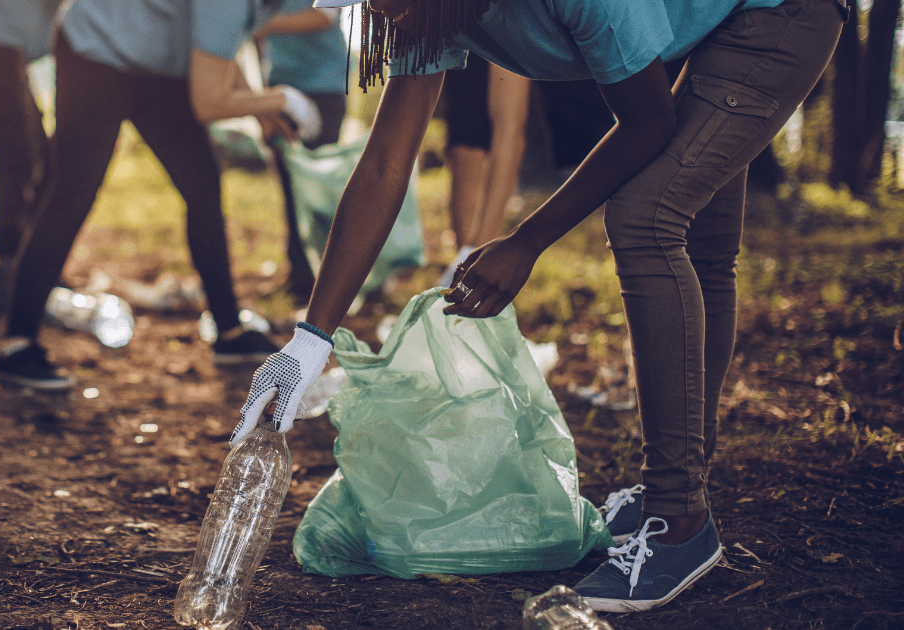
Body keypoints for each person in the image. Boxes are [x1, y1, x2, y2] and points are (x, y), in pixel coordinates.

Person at [234, 0, 845, 613]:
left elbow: (647, 123)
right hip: (708, 26)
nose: (374, 8)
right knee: (700, 244)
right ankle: (680, 487)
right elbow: (386, 162)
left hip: (779, 12)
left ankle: (679, 523)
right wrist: (311, 338)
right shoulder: (420, 12)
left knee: (647, 218)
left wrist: (526, 241)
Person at [0, 0, 324, 390]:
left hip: (160, 70)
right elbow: (209, 101)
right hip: (95, 50)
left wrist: (256, 104)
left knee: (203, 187)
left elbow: (216, 52)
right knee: (72, 193)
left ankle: (231, 333)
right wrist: (283, 100)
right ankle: (17, 345)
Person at [0, 0, 64, 312]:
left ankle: (33, 262)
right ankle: (9, 267)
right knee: (20, 159)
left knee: (45, 160)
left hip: (2, 50)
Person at [256, 0, 350, 301]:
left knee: (321, 187)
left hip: (324, 86)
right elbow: (257, 48)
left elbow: (324, 15)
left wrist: (262, 25)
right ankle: (300, 275)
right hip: (281, 87)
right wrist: (262, 103)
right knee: (289, 185)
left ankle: (335, 277)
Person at [437, 54, 530, 287]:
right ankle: (464, 265)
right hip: (458, 21)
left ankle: (479, 262)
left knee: (506, 117)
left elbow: (509, 126)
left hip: (513, 20)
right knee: (464, 142)